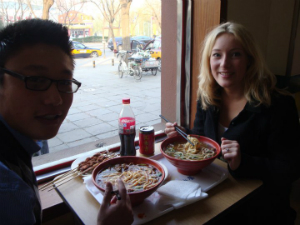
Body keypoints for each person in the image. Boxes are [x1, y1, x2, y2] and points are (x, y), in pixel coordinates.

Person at [0, 19, 133, 225]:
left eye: (63, 82)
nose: (55, 99)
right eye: (35, 80)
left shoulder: (16, 147)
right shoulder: (8, 189)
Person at [165, 22, 300, 224]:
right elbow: (202, 139)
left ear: (250, 60)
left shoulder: (279, 105)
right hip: (216, 195)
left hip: (260, 209)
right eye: (217, 55)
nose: (224, 64)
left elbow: (291, 168)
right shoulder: (208, 97)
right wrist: (184, 136)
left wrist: (243, 162)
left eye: (235, 54)